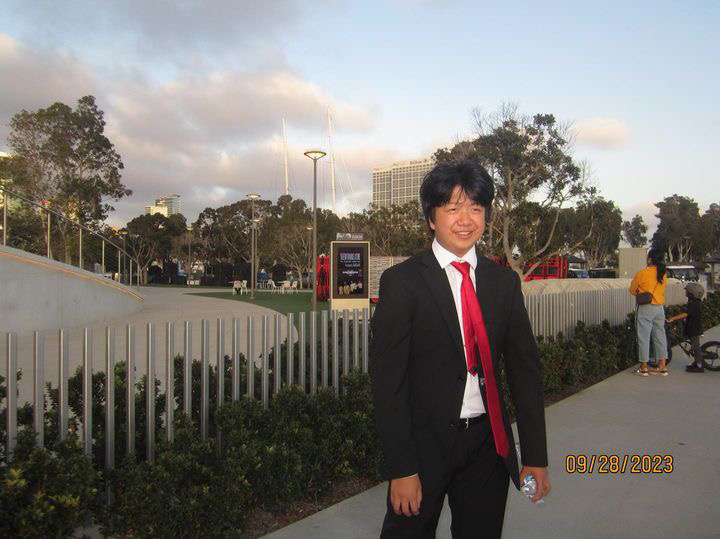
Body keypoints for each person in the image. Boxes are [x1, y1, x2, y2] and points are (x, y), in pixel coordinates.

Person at [370, 161, 550, 539]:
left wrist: (535, 455)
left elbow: (524, 371)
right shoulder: (402, 283)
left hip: (487, 447)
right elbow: (389, 383)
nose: (465, 219)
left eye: (475, 208)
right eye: (452, 208)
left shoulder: (503, 283)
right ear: (431, 218)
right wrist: (401, 468)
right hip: (423, 448)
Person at [629, 249, 669, 376]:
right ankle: (662, 367)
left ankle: (644, 367)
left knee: (643, 337)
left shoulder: (642, 273)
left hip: (646, 308)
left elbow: (632, 289)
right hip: (659, 308)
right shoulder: (663, 274)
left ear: (650, 259)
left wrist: (640, 292)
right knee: (660, 336)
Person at [666, 282, 705, 372]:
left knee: (696, 347)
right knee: (694, 345)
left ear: (692, 293)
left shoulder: (694, 303)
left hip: (694, 329)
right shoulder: (694, 302)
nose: (686, 292)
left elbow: (685, 314)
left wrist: (673, 318)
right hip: (693, 327)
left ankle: (699, 366)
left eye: (687, 291)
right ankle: (696, 361)